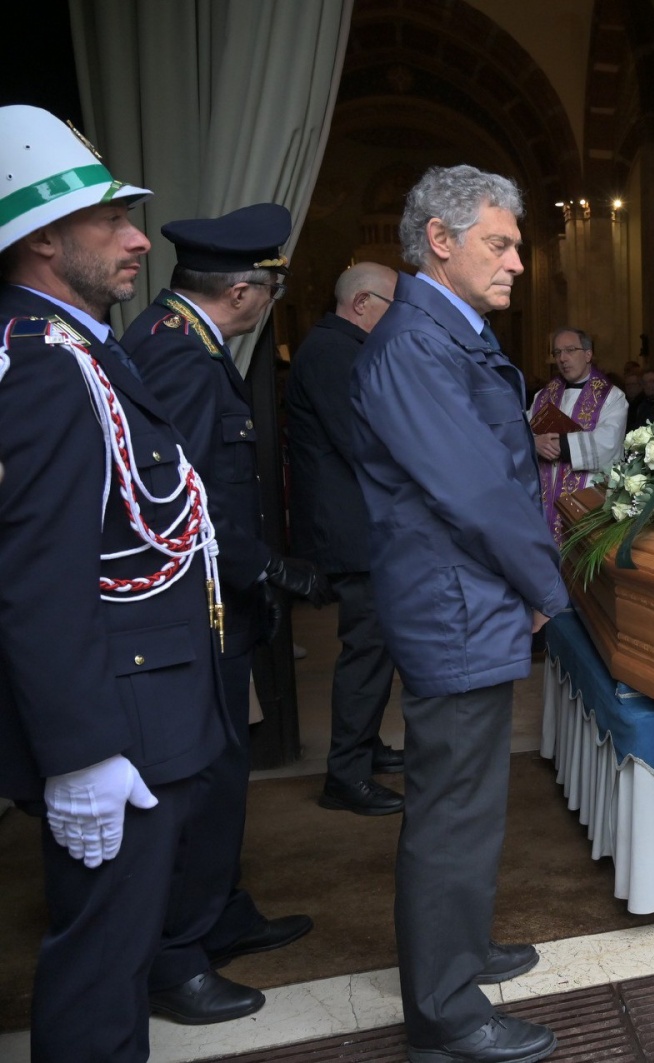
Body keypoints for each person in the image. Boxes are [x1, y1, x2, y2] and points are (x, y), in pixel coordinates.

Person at [0, 104, 230, 1062]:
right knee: (100, 976)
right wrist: (81, 752)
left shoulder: (78, 346)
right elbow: (39, 576)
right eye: (111, 222)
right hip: (119, 726)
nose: (139, 238)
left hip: (144, 706)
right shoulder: (47, 368)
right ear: (45, 239)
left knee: (117, 961)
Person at [350, 164, 566, 1063]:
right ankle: (444, 1011)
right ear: (440, 240)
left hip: (469, 599)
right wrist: (549, 588)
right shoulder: (413, 344)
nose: (518, 261)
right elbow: (478, 491)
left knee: (473, 800)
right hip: (455, 604)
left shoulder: (446, 333)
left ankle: (463, 950)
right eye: (500, 243)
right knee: (451, 810)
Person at [122, 202, 323, 1024]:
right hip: (188, 610)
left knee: (222, 774)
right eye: (269, 292)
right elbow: (183, 501)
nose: (269, 303)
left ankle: (218, 914)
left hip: (215, 606)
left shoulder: (189, 344)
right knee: (194, 786)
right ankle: (176, 954)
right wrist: (269, 567)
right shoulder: (176, 358)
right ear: (244, 292)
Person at [286, 262, 407, 817]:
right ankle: (346, 774)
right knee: (367, 651)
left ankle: (366, 748)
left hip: (358, 523)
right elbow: (365, 441)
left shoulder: (335, 346)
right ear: (361, 304)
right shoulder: (334, 352)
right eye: (390, 305)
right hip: (355, 527)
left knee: (374, 649)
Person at [530, 327, 627, 545]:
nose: (563, 358)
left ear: (588, 354)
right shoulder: (543, 396)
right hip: (544, 505)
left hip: (588, 503)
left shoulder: (611, 397)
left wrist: (559, 445)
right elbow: (522, 432)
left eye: (570, 350)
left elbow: (607, 445)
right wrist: (533, 443)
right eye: (557, 353)